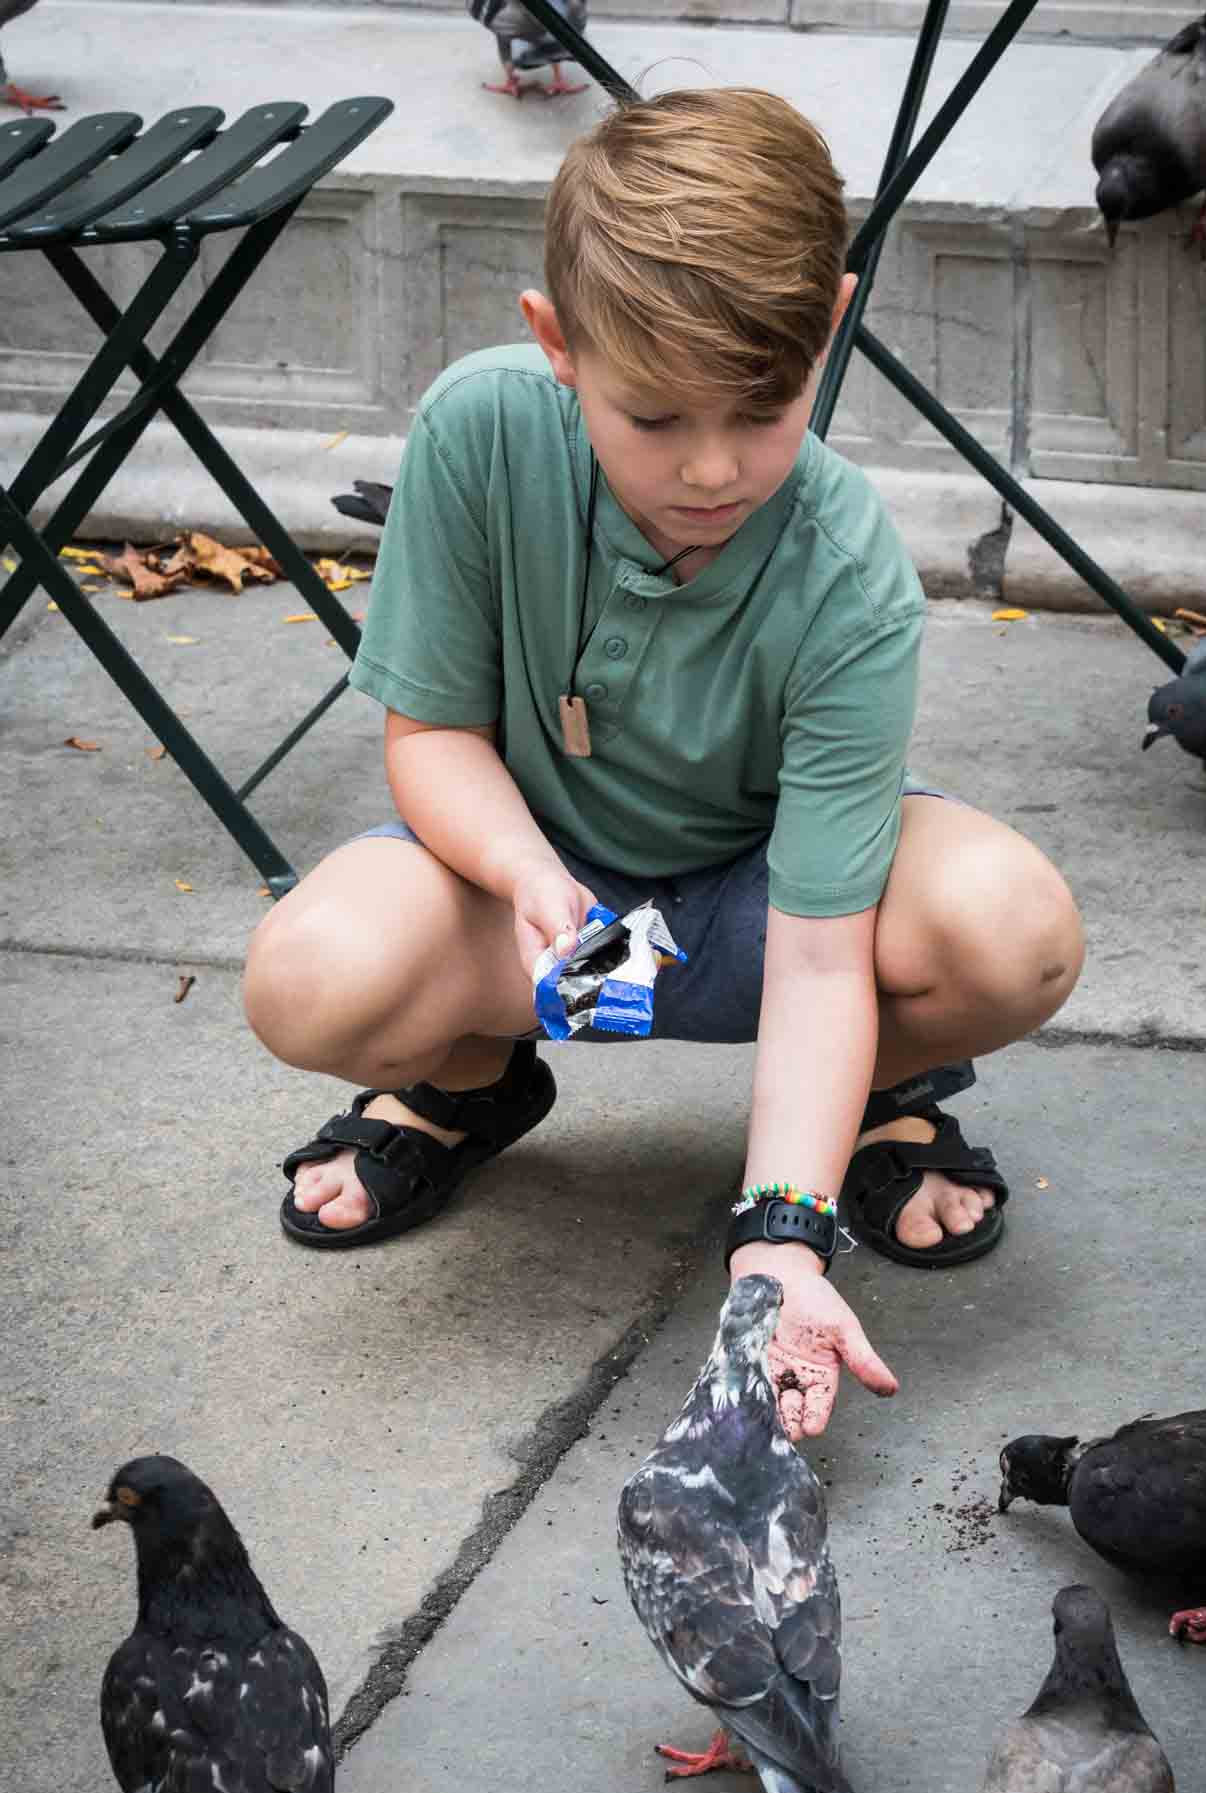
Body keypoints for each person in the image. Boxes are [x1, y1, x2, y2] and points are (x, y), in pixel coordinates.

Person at [244, 87, 1083, 1443]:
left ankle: (862, 1102)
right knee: (305, 977)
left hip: (777, 910)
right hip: (543, 903)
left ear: (829, 325)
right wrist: (520, 866)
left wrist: (777, 1247)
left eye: (762, 410)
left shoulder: (847, 566)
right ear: (555, 343)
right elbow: (433, 733)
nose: (710, 468)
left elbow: (820, 949)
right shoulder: (478, 428)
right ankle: (469, 1085)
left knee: (1014, 931)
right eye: (653, 418)